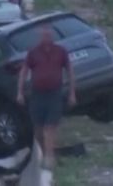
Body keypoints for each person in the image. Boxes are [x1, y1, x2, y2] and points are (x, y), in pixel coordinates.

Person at [16, 26, 76, 171]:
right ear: (40, 37)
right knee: (38, 131)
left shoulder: (61, 52)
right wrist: (20, 92)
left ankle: (49, 158)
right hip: (37, 95)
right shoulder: (33, 52)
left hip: (54, 94)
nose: (47, 38)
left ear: (52, 37)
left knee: (50, 127)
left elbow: (70, 71)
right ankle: (45, 153)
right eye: (44, 35)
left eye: (49, 35)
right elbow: (24, 72)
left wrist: (72, 93)